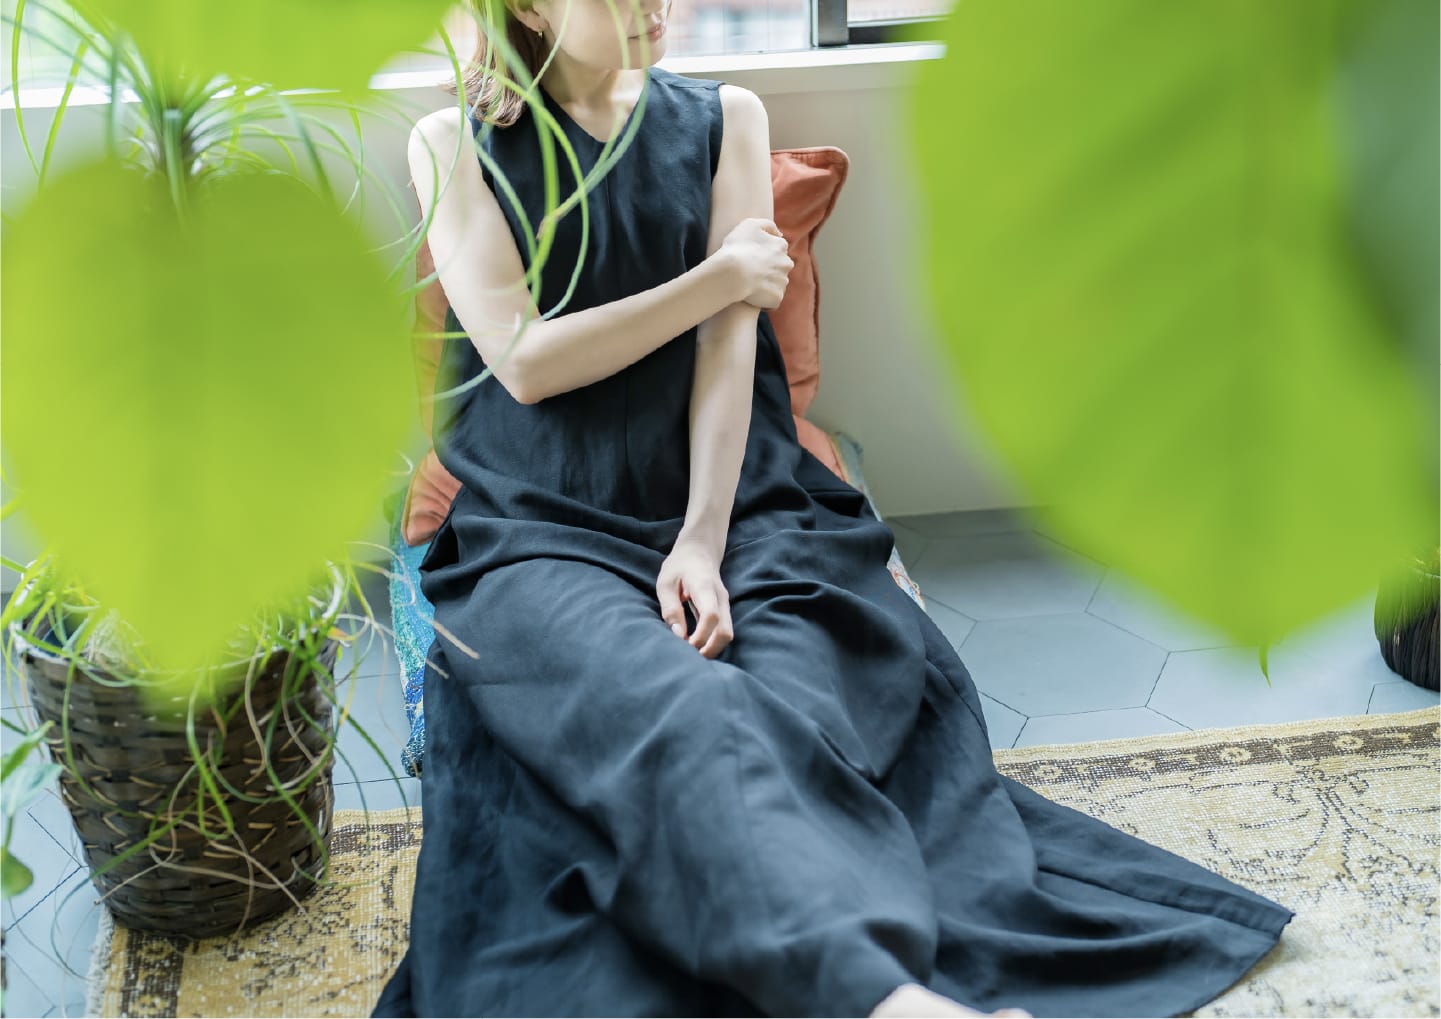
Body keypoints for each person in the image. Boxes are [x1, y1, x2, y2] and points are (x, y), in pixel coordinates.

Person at [373, 0, 1294, 1015]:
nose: (654, 3)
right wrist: (721, 276)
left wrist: (701, 538)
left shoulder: (725, 118)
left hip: (744, 509)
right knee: (689, 713)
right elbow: (526, 363)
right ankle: (882, 996)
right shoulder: (451, 142)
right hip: (540, 534)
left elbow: (728, 355)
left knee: (794, 710)